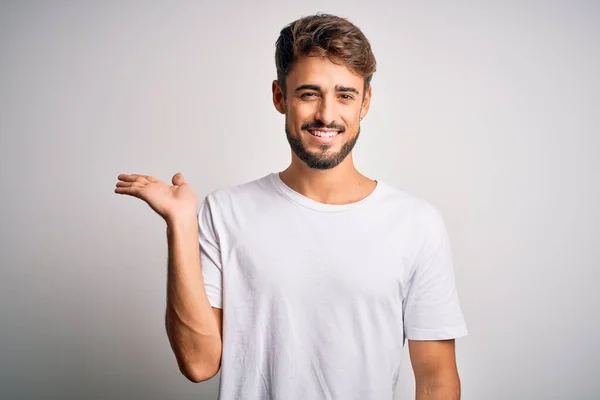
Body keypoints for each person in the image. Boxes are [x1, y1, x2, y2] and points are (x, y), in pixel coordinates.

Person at [115, 13, 468, 400]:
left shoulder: (415, 224)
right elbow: (199, 364)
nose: (327, 115)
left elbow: (436, 378)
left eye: (345, 95)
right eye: (309, 93)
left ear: (365, 102)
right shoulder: (226, 212)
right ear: (280, 97)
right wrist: (180, 225)